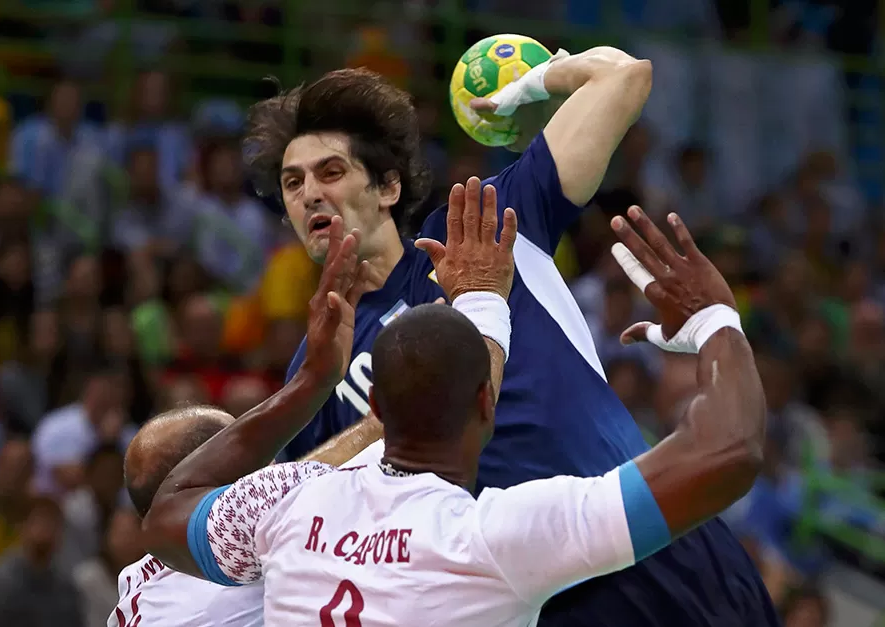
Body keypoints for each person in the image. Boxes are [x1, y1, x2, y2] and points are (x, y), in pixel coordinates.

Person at [241, 51, 777, 624]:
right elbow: (282, 509)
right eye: (292, 184)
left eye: (330, 172)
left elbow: (623, 77)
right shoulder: (320, 363)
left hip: (667, 536)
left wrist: (535, 84)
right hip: (549, 600)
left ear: (388, 187)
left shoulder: (480, 221)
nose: (309, 195)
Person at [143, 203, 768, 626]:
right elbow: (729, 451)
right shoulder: (495, 539)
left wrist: (311, 381)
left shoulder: (290, 502)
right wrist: (715, 320)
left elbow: (172, 507)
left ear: (376, 407)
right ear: (487, 402)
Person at [110, 214, 388, 627]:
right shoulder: (244, 554)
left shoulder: (141, 581)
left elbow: (295, 483)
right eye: (245, 448)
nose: (271, 464)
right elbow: (288, 494)